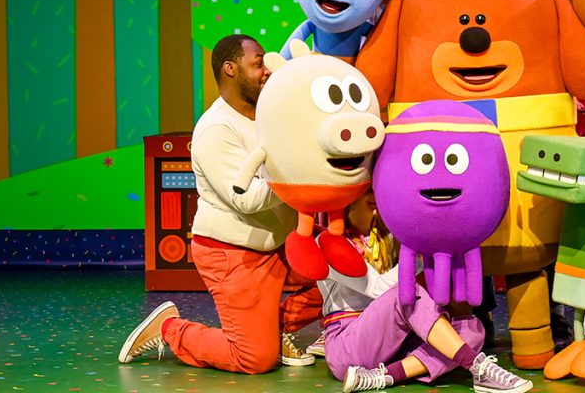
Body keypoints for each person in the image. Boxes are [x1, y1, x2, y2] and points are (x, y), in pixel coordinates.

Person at [117, 34, 314, 373]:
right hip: (235, 254)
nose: (267, 71)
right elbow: (247, 198)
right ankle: (170, 329)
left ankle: (271, 330)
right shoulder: (216, 130)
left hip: (279, 245)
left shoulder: (269, 113)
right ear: (230, 69)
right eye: (258, 64)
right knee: (255, 359)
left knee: (341, 270)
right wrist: (300, 173)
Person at [319, 193, 534, 393]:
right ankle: (479, 368)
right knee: (405, 294)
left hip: (394, 346)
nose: (373, 196)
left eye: (374, 189)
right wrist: (421, 256)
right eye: (365, 191)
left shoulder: (385, 240)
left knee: (471, 328)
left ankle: (384, 376)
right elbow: (377, 288)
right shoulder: (326, 243)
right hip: (348, 348)